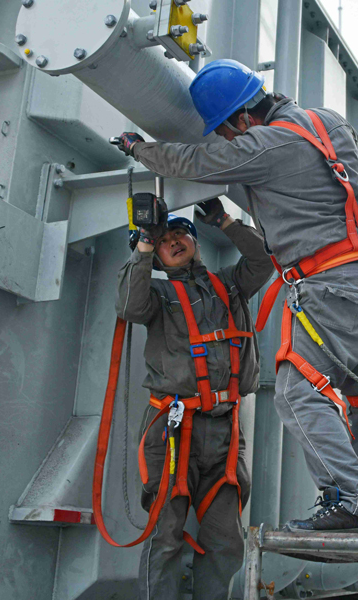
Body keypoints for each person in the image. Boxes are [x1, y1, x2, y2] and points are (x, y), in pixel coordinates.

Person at [114, 58, 358, 534]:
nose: (231, 140)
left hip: (330, 285)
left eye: (228, 132)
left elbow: (199, 162)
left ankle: (354, 499)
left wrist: (139, 148)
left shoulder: (270, 142)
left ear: (242, 119)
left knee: (296, 394)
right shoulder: (329, 124)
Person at [115, 199, 274, 599]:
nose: (173, 242)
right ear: (156, 255)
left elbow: (263, 260)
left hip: (224, 432)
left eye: (180, 234)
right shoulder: (156, 295)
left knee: (226, 541)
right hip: (172, 430)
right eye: (164, 240)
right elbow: (129, 306)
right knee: (165, 535)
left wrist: (224, 220)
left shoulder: (229, 285)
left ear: (196, 241)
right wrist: (144, 245)